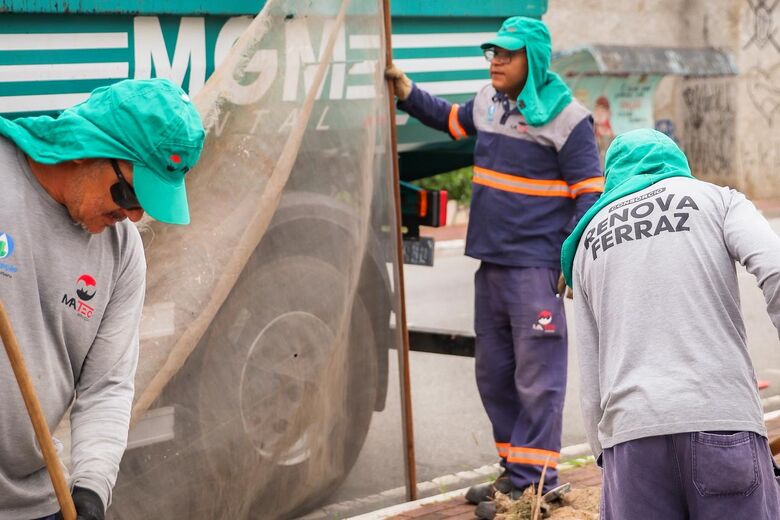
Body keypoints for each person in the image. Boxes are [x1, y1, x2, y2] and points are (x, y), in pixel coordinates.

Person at [386, 16, 603, 518]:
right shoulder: (487, 102)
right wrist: (407, 91)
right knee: (495, 375)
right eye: (493, 53)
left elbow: (589, 195)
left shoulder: (569, 120)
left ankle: (538, 486)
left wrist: (569, 259)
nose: (496, 61)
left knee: (537, 379)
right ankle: (515, 472)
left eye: (508, 53)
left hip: (536, 269)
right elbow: (451, 120)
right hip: (492, 264)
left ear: (535, 58)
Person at [0, 78, 205, 520]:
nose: (132, 216)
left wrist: (90, 490)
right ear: (90, 146)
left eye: (144, 205)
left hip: (36, 501)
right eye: (130, 193)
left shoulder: (123, 251)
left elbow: (106, 386)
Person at [562, 128, 780, 519]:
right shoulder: (717, 200)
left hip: (630, 439)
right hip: (722, 420)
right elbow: (776, 269)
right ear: (677, 165)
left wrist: (604, 455)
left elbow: (591, 374)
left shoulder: (587, 241)